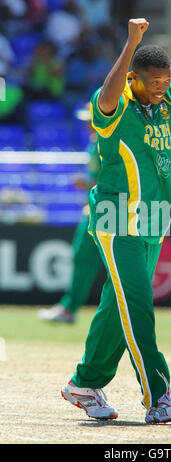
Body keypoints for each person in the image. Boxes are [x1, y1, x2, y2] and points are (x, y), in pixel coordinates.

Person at [61, 18, 171, 424]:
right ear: (134, 79)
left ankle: (84, 382)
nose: (161, 87)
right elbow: (105, 98)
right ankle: (159, 397)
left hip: (153, 225)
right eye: (153, 81)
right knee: (137, 306)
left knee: (114, 309)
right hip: (115, 222)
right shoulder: (116, 105)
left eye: (166, 80)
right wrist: (130, 44)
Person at [37, 103, 103, 323]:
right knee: (83, 256)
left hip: (104, 210)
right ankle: (69, 308)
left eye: (89, 119)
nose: (85, 124)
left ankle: (70, 309)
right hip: (96, 208)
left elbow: (112, 178)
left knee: (89, 258)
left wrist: (87, 183)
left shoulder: (105, 142)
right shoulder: (95, 142)